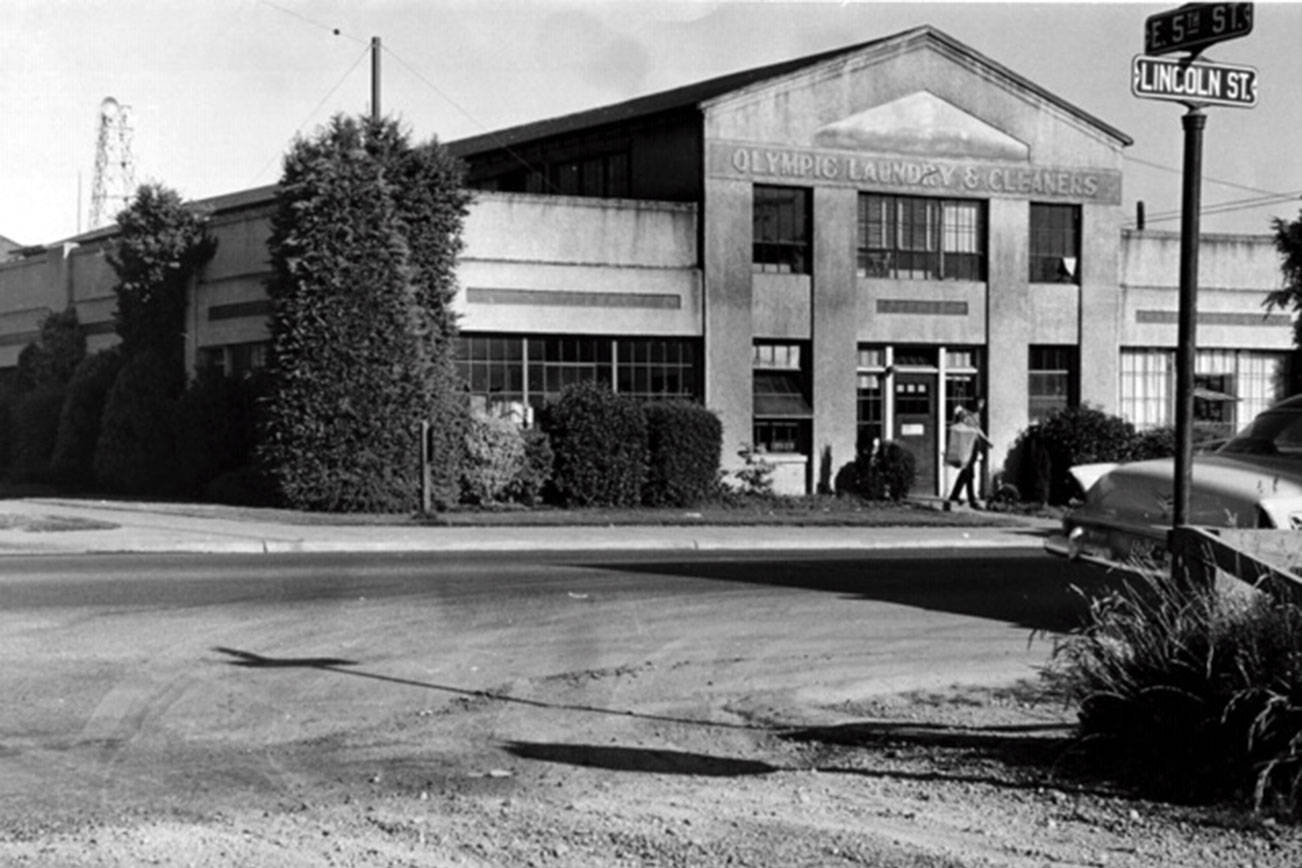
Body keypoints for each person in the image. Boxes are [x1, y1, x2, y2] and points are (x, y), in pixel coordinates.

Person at [946, 398, 990, 508]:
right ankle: (971, 499)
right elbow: (977, 430)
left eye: (982, 403)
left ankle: (956, 496)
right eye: (980, 403)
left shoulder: (972, 415)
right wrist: (987, 440)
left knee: (968, 472)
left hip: (973, 445)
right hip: (970, 446)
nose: (982, 406)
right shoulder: (971, 415)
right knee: (968, 472)